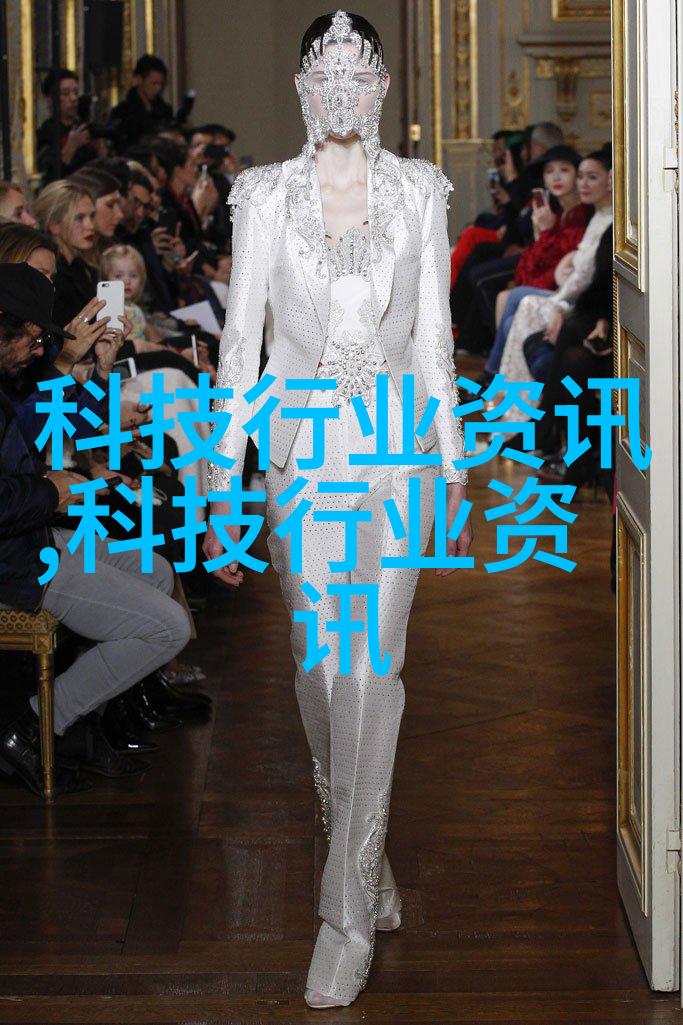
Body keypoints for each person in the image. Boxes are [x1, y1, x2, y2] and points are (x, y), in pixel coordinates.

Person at [202, 9, 473, 1010]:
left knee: (372, 666)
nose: (344, 89)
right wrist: (220, 476)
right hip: (300, 455)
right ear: (303, 88)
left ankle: (344, 915)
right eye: (327, 74)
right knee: (320, 666)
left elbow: (435, 333)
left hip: (398, 453)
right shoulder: (262, 195)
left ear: (383, 87)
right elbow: (240, 342)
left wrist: (452, 455)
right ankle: (364, 854)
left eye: (361, 73)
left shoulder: (420, 190)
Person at [0, 263, 192, 796]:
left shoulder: (16, 373)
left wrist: (99, 370)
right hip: (17, 557)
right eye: (33, 335)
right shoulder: (24, 376)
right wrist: (53, 491)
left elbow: (71, 429)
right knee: (169, 628)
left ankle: (78, 723)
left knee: (155, 570)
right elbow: (48, 438)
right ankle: (36, 723)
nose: (41, 346)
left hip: (32, 534)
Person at [36, 69, 101, 183]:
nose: (73, 99)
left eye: (76, 93)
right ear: (50, 100)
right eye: (66, 94)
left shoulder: (83, 126)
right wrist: (71, 146)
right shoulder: (47, 132)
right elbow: (50, 174)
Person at [108, 54, 175, 151]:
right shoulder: (122, 112)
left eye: (161, 84)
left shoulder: (165, 111)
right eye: (154, 83)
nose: (158, 89)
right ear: (139, 80)